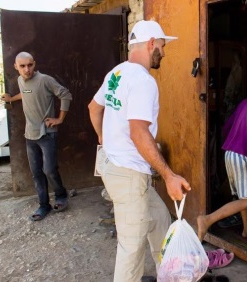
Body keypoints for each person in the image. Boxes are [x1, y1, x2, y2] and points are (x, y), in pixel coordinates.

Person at [88, 20, 191, 282]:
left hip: (116, 167)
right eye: (163, 46)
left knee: (158, 220)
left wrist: (104, 138)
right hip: (129, 175)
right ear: (151, 43)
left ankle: (169, 275)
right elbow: (139, 133)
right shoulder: (144, 81)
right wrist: (168, 176)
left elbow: (94, 107)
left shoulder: (116, 73)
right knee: (131, 249)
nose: (164, 53)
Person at [197, 75, 247, 241]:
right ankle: (207, 220)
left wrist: (232, 144)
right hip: (243, 154)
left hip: (230, 153)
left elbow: (227, 126)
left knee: (243, 195)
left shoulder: (246, 102)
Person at [1, 52, 72, 221]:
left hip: (47, 133)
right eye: (23, 66)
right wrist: (12, 98)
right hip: (30, 135)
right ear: (16, 67)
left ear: (34, 64)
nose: (27, 69)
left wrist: (59, 119)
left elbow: (65, 95)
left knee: (49, 169)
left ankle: (61, 195)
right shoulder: (20, 80)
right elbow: (26, 93)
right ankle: (43, 205)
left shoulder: (44, 80)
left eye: (30, 65)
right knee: (36, 173)